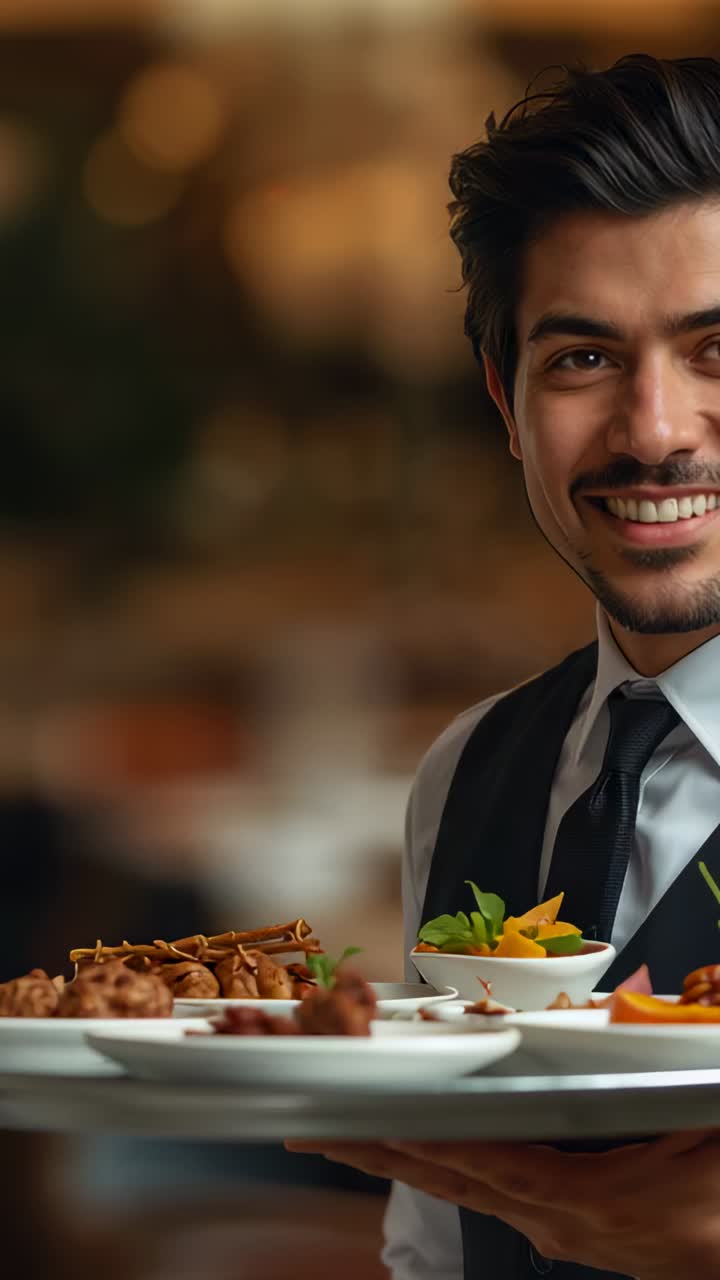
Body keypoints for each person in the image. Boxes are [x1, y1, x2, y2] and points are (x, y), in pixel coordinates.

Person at [287, 54, 720, 1279]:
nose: (653, 429)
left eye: (716, 346)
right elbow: (437, 1252)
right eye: (581, 358)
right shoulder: (469, 768)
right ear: (506, 397)